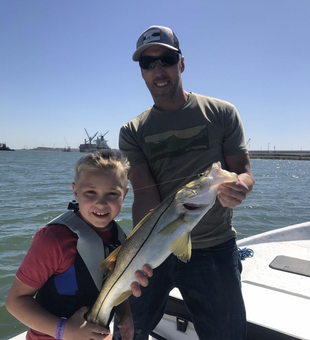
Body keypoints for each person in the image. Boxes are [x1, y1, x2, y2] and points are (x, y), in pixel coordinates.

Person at [114, 26, 255, 340]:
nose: (158, 69)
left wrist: (240, 187)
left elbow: (243, 172)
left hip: (214, 249)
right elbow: (145, 196)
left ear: (181, 63)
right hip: (155, 255)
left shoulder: (222, 113)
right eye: (147, 63)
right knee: (127, 332)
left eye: (166, 58)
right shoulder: (132, 131)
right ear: (141, 72)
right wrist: (139, 254)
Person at [6, 149, 152, 340]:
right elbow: (15, 302)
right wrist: (64, 330)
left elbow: (112, 284)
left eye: (112, 193)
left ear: (124, 194)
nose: (101, 203)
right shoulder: (53, 240)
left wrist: (125, 314)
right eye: (91, 192)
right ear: (75, 190)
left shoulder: (120, 237)